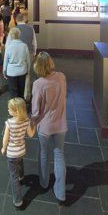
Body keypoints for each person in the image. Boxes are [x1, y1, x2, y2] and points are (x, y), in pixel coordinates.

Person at [31, 52, 67, 205]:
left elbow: (35, 111)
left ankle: (44, 182)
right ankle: (60, 193)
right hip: (61, 124)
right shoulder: (61, 77)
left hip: (44, 126)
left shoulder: (39, 83)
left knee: (43, 153)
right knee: (59, 155)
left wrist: (31, 122)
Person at [1, 97, 35, 208]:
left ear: (16, 111)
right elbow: (30, 135)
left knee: (13, 176)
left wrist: (3, 148)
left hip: (11, 153)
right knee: (20, 162)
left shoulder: (9, 123)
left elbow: (5, 138)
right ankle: (22, 177)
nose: (8, 110)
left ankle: (18, 201)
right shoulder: (26, 121)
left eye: (9, 109)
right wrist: (34, 126)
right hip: (21, 150)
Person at [6, 13, 37, 102]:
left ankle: (16, 97)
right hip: (29, 53)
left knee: (16, 73)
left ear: (16, 20)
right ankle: (26, 95)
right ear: (24, 19)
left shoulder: (13, 29)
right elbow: (34, 42)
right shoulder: (31, 29)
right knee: (27, 74)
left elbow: (8, 44)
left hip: (15, 53)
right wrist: (34, 52)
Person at [3, 27, 30, 99]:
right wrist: (28, 70)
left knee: (13, 93)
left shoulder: (9, 46)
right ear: (19, 35)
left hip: (11, 72)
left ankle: (14, 108)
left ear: (11, 35)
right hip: (22, 71)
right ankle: (21, 107)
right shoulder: (24, 46)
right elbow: (28, 60)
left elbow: (5, 61)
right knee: (21, 92)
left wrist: (4, 71)